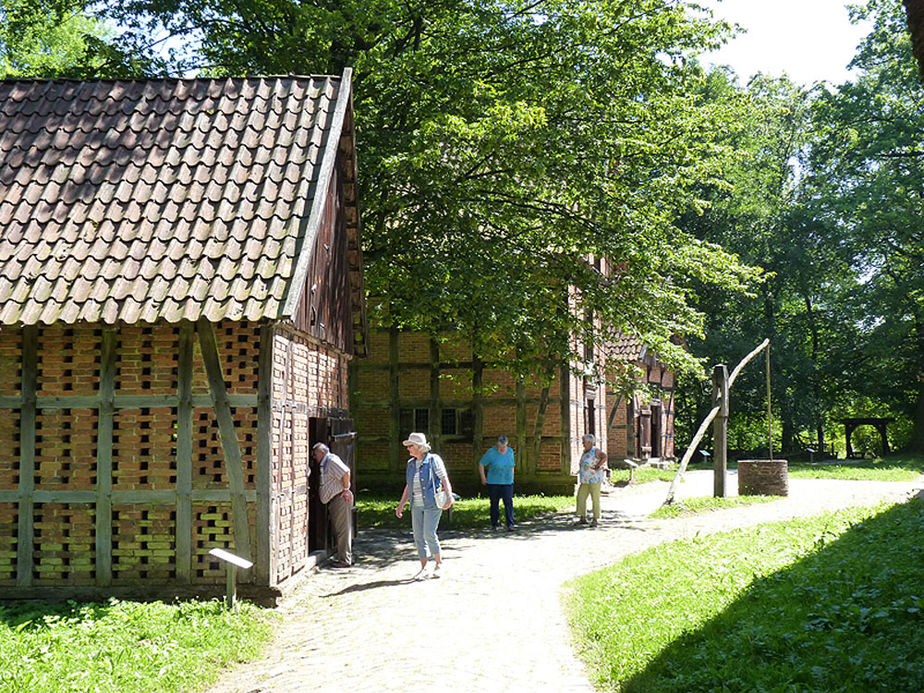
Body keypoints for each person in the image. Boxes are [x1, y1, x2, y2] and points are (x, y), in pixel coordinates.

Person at [395, 432, 454, 579]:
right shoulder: (410, 464)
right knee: (418, 536)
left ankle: (439, 563)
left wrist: (449, 496)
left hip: (432, 503)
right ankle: (424, 567)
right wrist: (401, 504)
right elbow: (408, 486)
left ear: (420, 447)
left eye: (411, 446)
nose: (408, 449)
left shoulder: (434, 460)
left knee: (429, 533)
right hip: (416, 505)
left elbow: (444, 478)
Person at [313, 442, 354, 568]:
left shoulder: (331, 460)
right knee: (340, 529)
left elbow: (346, 472)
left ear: (322, 452)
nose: (314, 457)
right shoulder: (325, 463)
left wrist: (346, 489)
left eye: (315, 454)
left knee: (343, 530)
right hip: (334, 500)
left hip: (340, 498)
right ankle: (343, 557)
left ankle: (345, 560)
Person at [479, 434, 516, 530]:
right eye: (500, 446)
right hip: (493, 482)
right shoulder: (491, 452)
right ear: (497, 444)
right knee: (494, 503)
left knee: (508, 502)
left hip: (507, 482)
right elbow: (481, 464)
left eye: (504, 446)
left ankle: (510, 524)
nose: (502, 448)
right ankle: (495, 524)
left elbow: (512, 465)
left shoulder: (510, 451)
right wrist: (483, 477)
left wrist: (512, 478)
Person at [575, 433, 607, 527]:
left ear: (589, 442)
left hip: (594, 479)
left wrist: (598, 465)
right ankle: (582, 518)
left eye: (584, 442)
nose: (583, 443)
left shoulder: (595, 451)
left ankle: (595, 519)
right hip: (585, 480)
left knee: (595, 499)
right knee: (581, 497)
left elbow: (604, 456)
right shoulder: (585, 452)